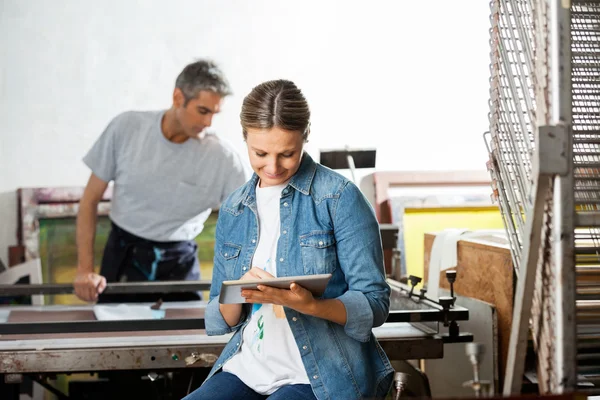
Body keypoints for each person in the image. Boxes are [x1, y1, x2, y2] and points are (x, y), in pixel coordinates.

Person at [184, 80, 394, 400]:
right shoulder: (234, 208)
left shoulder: (339, 197)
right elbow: (219, 315)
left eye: (287, 154)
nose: (272, 166)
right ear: (245, 138)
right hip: (249, 367)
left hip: (321, 374)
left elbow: (375, 303)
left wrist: (311, 305)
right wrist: (238, 291)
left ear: (305, 137)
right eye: (260, 153)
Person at [74, 59, 247, 303]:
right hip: (123, 254)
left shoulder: (224, 159)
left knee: (187, 337)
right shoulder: (126, 129)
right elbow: (89, 201)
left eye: (214, 114)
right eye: (203, 111)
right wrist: (84, 271)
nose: (208, 122)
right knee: (116, 336)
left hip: (181, 261)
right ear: (178, 98)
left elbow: (248, 224)